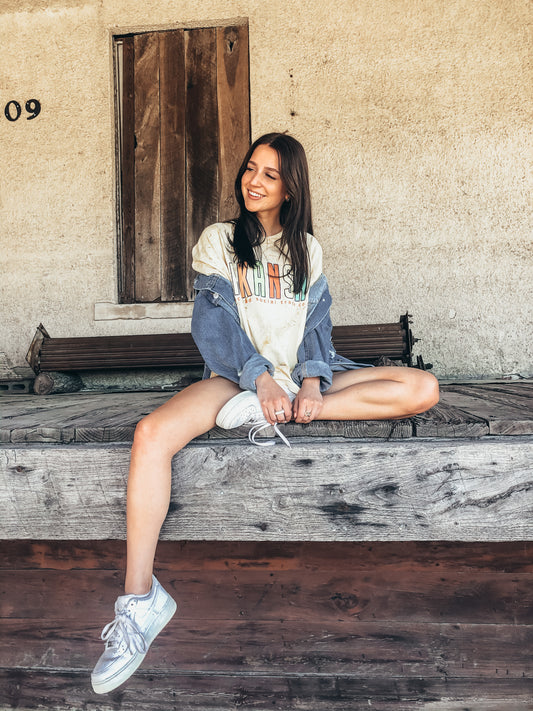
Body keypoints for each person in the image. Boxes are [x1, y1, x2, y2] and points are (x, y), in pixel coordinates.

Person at [91, 132, 439, 694]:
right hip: (236, 377)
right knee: (151, 433)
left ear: (291, 187)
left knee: (421, 387)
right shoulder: (220, 241)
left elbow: (317, 330)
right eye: (251, 168)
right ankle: (139, 602)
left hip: (293, 379)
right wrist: (258, 379)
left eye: (270, 174)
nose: (253, 181)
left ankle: (285, 412)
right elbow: (214, 326)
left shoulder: (308, 250)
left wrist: (310, 384)